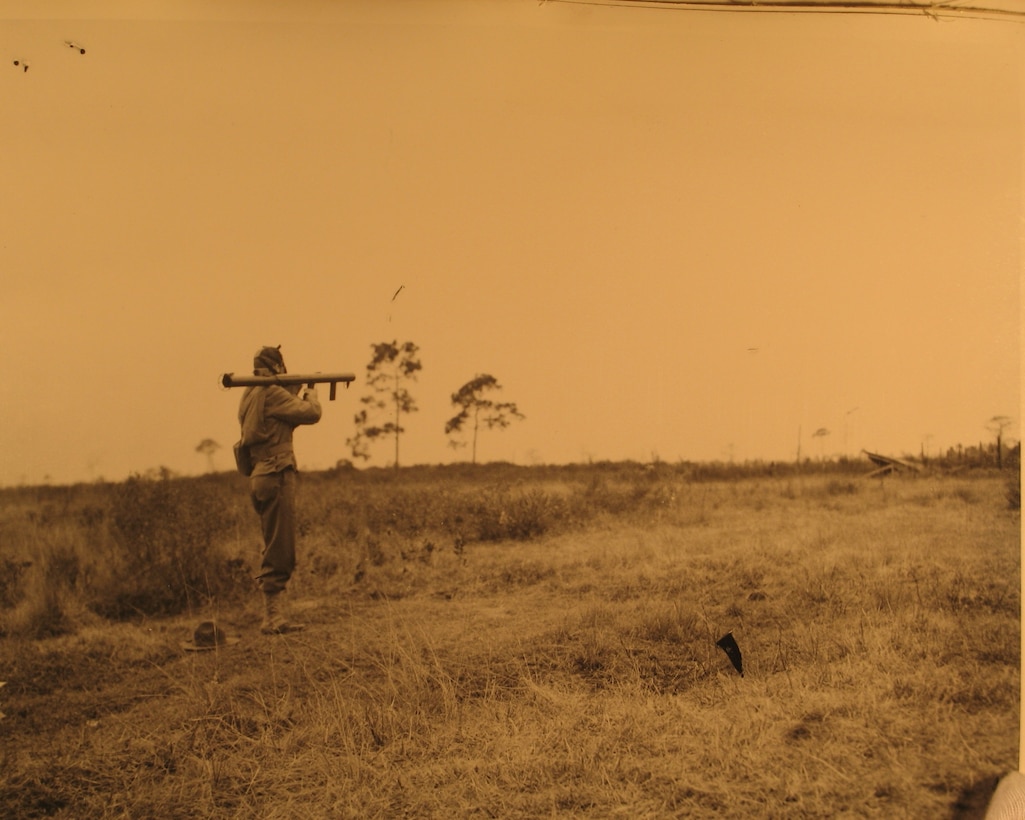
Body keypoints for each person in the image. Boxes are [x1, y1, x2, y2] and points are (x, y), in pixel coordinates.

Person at [238, 345, 322, 634]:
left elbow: (276, 420)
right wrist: (311, 393)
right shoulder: (272, 393)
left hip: (260, 475)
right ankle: (273, 618)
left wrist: (293, 388)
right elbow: (311, 413)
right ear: (277, 368)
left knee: (273, 542)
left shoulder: (249, 394)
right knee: (281, 547)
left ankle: (273, 614)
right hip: (276, 475)